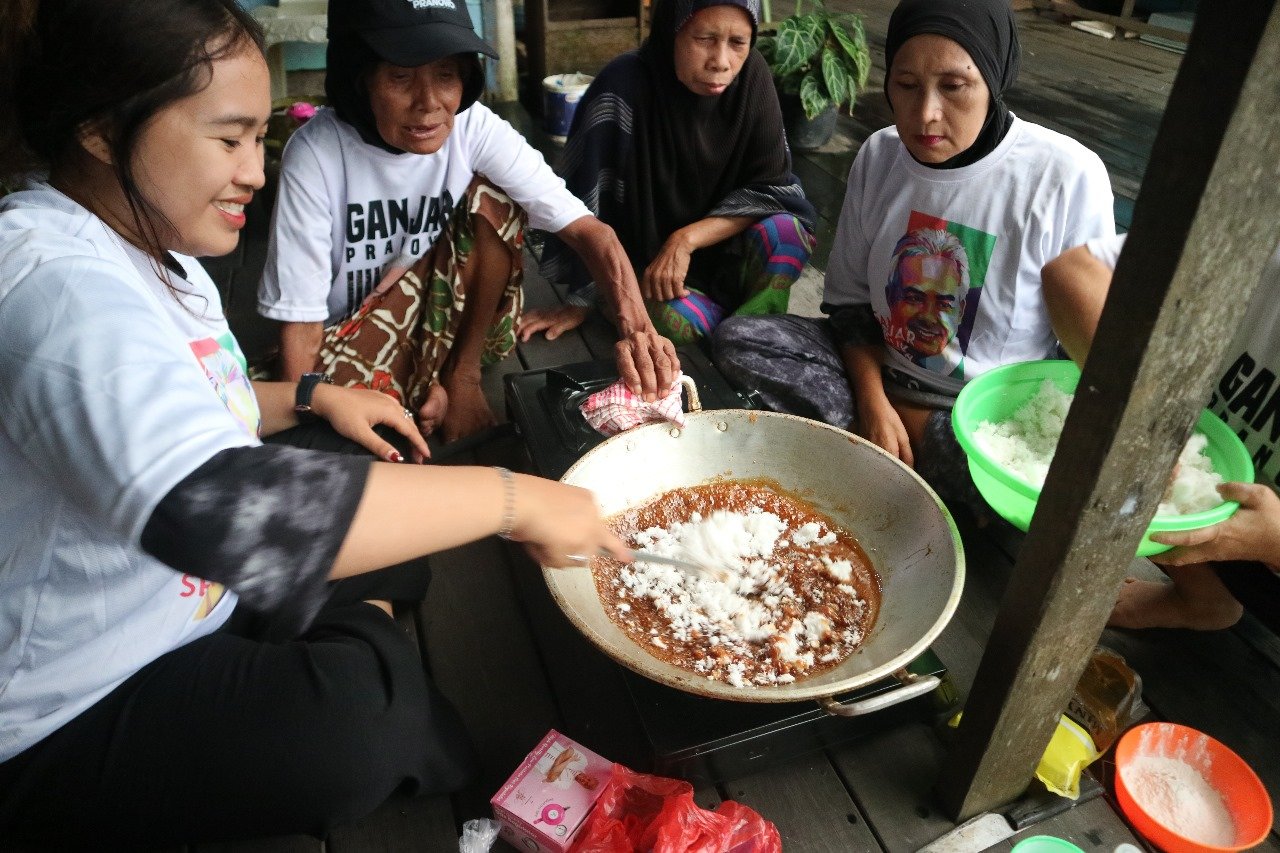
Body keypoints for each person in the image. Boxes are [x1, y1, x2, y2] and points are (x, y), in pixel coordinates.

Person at [0, 1, 628, 846]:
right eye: (229, 139)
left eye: (257, 138)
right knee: (353, 726)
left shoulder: (146, 242)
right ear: (101, 130)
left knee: (368, 454)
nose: (254, 173)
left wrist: (310, 398)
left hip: (186, 596)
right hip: (71, 699)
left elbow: (201, 401)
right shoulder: (53, 286)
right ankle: (374, 658)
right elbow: (222, 512)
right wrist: (514, 498)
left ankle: (364, 641)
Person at [711, 0, 1115, 510]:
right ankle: (896, 447)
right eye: (905, 86)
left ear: (993, 79)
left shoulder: (1064, 175)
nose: (925, 114)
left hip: (985, 415)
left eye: (954, 86)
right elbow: (852, 308)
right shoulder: (880, 155)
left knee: (1040, 486)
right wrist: (874, 401)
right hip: (879, 371)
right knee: (741, 339)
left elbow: (1084, 347)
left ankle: (893, 446)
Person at [257, 0, 679, 445]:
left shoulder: (472, 127)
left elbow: (588, 230)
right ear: (359, 80)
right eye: (400, 77)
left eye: (446, 75)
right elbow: (301, 323)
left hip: (450, 319)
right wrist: (304, 417)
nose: (429, 104)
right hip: (353, 333)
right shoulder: (316, 154)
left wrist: (639, 332)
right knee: (324, 421)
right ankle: (422, 387)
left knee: (495, 198)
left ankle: (460, 375)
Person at [519, 0, 817, 354]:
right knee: (680, 323)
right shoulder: (623, 85)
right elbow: (582, 203)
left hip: (724, 250)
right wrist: (579, 299)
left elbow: (772, 189)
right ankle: (743, 332)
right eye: (704, 39)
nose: (721, 61)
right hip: (650, 268)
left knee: (786, 234)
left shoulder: (752, 76)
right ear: (671, 31)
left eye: (738, 42)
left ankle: (751, 338)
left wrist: (685, 240)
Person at [1043, 234, 1280, 633]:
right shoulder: (1257, 233)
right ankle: (1204, 597)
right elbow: (1071, 272)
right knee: (1118, 451)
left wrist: (1273, 540)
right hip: (1203, 499)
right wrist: (1142, 418)